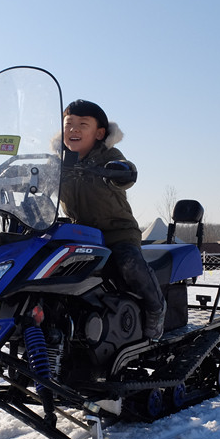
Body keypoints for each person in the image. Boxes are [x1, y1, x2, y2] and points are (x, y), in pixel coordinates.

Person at [59, 99, 166, 340]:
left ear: (99, 133)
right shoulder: (59, 161)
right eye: (69, 124)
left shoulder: (108, 154)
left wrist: (121, 170)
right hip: (80, 234)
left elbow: (126, 171)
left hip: (117, 232)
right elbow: (39, 182)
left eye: (82, 124)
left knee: (128, 263)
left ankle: (155, 308)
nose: (73, 130)